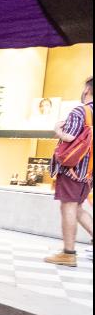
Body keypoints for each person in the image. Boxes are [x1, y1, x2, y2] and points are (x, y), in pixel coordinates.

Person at [44, 76, 93, 266]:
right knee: (78, 208)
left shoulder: (81, 111)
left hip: (72, 170)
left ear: (87, 90)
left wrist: (58, 130)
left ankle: (68, 253)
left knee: (68, 207)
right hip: (88, 173)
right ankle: (68, 252)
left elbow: (69, 138)